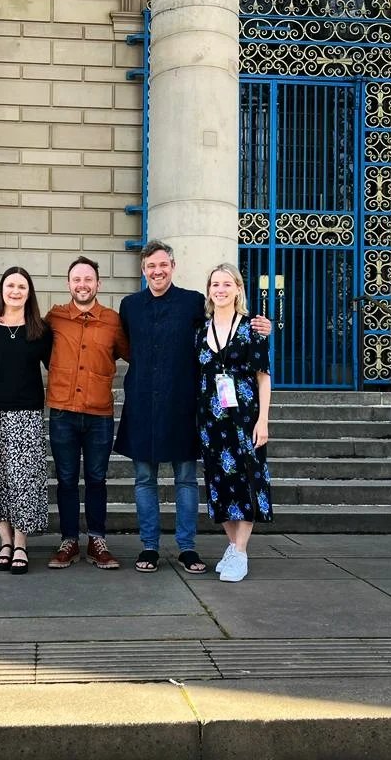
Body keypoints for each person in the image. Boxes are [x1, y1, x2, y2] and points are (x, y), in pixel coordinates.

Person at [114, 240, 271, 573]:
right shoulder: (129, 306)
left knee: (186, 479)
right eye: (150, 266)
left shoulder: (192, 303)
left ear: (173, 266)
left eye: (163, 265)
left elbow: (226, 324)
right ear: (143, 270)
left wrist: (264, 326)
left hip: (184, 404)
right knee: (144, 479)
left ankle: (187, 548)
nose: (157, 271)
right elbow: (127, 348)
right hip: (142, 404)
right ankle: (149, 547)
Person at [44, 256, 130, 570]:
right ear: (69, 284)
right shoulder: (54, 318)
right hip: (63, 412)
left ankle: (96, 540)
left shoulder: (112, 320)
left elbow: (135, 353)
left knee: (96, 478)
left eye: (88, 279)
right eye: (77, 279)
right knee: (66, 479)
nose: (83, 285)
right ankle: (68, 540)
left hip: (99, 414)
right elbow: (38, 350)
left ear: (98, 284)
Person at [0, 267, 53, 575]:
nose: (15, 291)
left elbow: (58, 367)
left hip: (27, 414)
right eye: (10, 285)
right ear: (1, 290)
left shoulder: (40, 331)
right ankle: (4, 541)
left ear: (29, 292)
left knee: (23, 480)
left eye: (21, 286)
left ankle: (21, 543)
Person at [197, 263, 272, 582]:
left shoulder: (253, 327)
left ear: (238, 288)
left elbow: (263, 377)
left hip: (244, 417)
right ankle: (231, 544)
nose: (221, 289)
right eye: (215, 284)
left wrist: (263, 421)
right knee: (219, 484)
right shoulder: (201, 329)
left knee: (246, 481)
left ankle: (240, 552)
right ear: (209, 290)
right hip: (211, 419)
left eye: (227, 284)